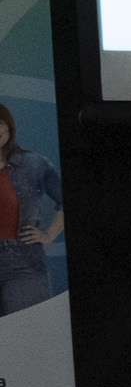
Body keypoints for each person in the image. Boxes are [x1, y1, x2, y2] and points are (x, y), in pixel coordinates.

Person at [0, 100, 62, 316]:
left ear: (9, 127)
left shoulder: (34, 163)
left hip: (24, 264)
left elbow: (65, 200)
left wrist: (48, 235)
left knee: (28, 334)